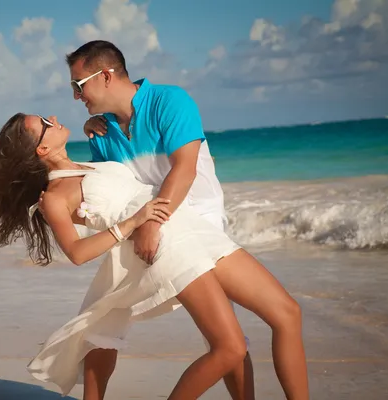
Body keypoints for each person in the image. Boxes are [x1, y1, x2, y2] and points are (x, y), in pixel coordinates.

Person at [0, 112, 309, 400]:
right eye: (46, 122)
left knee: (287, 311)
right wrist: (132, 224)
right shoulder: (54, 198)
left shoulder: (87, 163)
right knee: (231, 348)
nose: (55, 118)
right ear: (42, 148)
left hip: (191, 227)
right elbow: (77, 253)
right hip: (168, 246)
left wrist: (98, 123)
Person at [66, 40, 254, 399]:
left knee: (225, 338)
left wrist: (151, 224)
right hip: (148, 222)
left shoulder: (170, 101)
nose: (76, 96)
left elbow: (183, 170)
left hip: (198, 223)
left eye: (78, 85)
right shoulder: (102, 133)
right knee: (102, 316)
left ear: (105, 75)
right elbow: (114, 190)